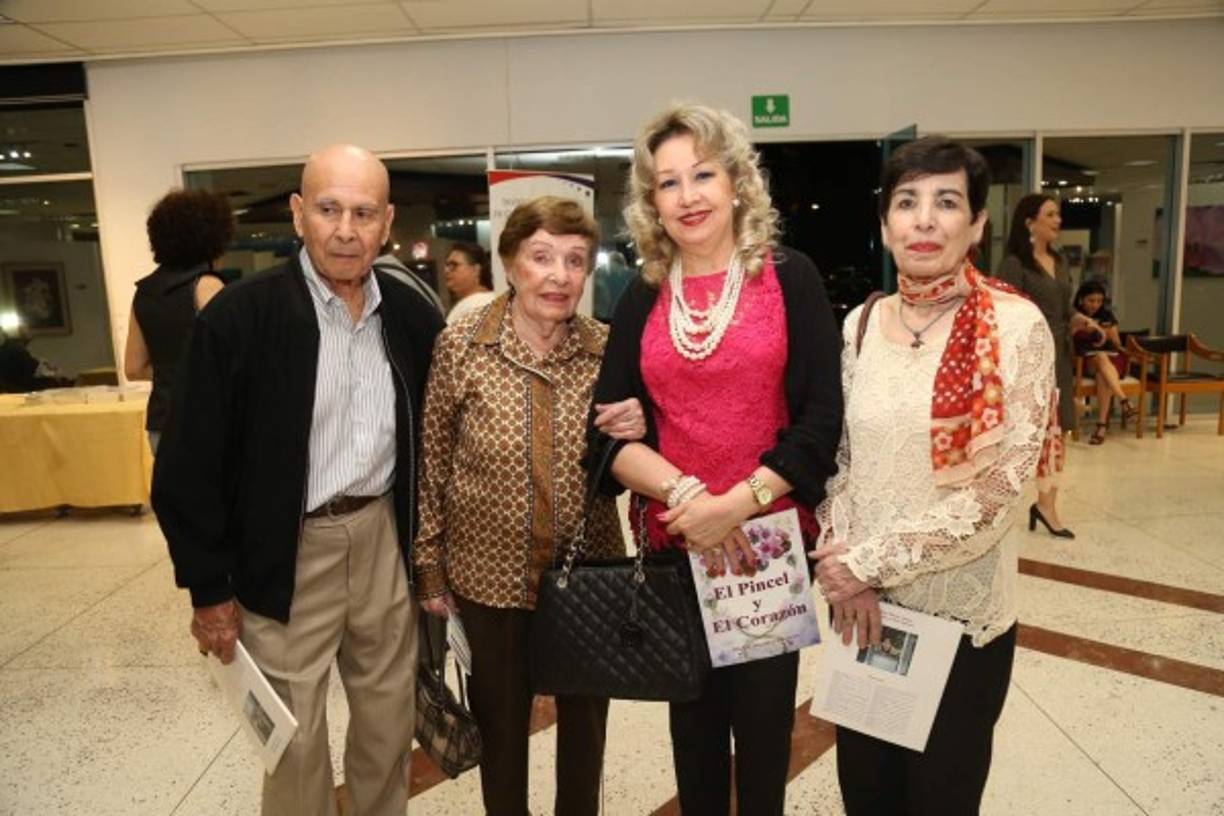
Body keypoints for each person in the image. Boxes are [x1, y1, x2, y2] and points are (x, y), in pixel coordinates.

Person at [151, 144, 444, 816]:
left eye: (364, 212)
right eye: (329, 208)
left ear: (386, 221)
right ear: (297, 214)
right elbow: (186, 465)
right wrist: (209, 588)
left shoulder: (409, 316)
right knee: (294, 736)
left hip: (380, 540)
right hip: (285, 549)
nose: (346, 228)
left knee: (386, 721)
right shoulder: (238, 318)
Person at [586, 103, 843, 815]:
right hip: (675, 548)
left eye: (703, 174)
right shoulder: (641, 295)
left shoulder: (790, 277)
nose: (689, 195)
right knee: (693, 738)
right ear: (651, 203)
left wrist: (737, 505)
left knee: (763, 744)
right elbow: (604, 438)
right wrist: (691, 499)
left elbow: (823, 420)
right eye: (668, 183)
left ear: (736, 183)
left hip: (767, 546)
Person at [813, 137, 1057, 816]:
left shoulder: (1015, 326)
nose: (924, 220)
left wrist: (867, 561)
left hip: (960, 618)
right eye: (907, 202)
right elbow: (844, 464)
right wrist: (838, 561)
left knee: (940, 799)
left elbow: (1003, 488)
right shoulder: (860, 324)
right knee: (868, 795)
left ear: (977, 224)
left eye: (946, 202)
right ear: (886, 222)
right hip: (866, 616)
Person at [413, 196, 645, 816]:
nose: (559, 276)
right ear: (511, 263)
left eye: (574, 261)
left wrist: (642, 422)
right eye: (541, 258)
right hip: (489, 576)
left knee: (586, 727)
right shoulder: (463, 343)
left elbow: (638, 455)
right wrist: (430, 568)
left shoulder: (608, 350)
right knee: (502, 724)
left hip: (588, 569)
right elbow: (433, 459)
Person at [124, 189, 233, 453]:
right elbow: (233, 360)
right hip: (207, 421)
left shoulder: (144, 291)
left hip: (162, 422)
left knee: (173, 495)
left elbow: (134, 368)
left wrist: (171, 370)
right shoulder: (207, 286)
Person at [996, 193, 1074, 539]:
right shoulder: (1014, 263)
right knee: (1026, 434)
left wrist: (1082, 321)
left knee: (1061, 431)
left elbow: (1064, 308)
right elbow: (1003, 315)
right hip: (1030, 360)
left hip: (1061, 356)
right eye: (1051, 214)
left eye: (1058, 215)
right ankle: (999, 508)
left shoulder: (1061, 260)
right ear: (1030, 222)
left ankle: (1047, 503)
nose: (1058, 220)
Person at [1072, 279, 1136, 444]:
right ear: (1081, 299)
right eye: (1091, 300)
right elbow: (1068, 340)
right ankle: (1124, 399)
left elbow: (1117, 344)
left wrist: (1106, 332)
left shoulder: (1106, 315)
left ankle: (1101, 427)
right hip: (1085, 360)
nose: (1095, 305)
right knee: (1100, 358)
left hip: (1112, 359)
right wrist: (1083, 328)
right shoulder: (1074, 315)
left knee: (1103, 375)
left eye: (1099, 301)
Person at [443, 240, 497, 325]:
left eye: (454, 265)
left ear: (476, 269)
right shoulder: (488, 300)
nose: (446, 270)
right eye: (447, 265)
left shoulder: (478, 304)